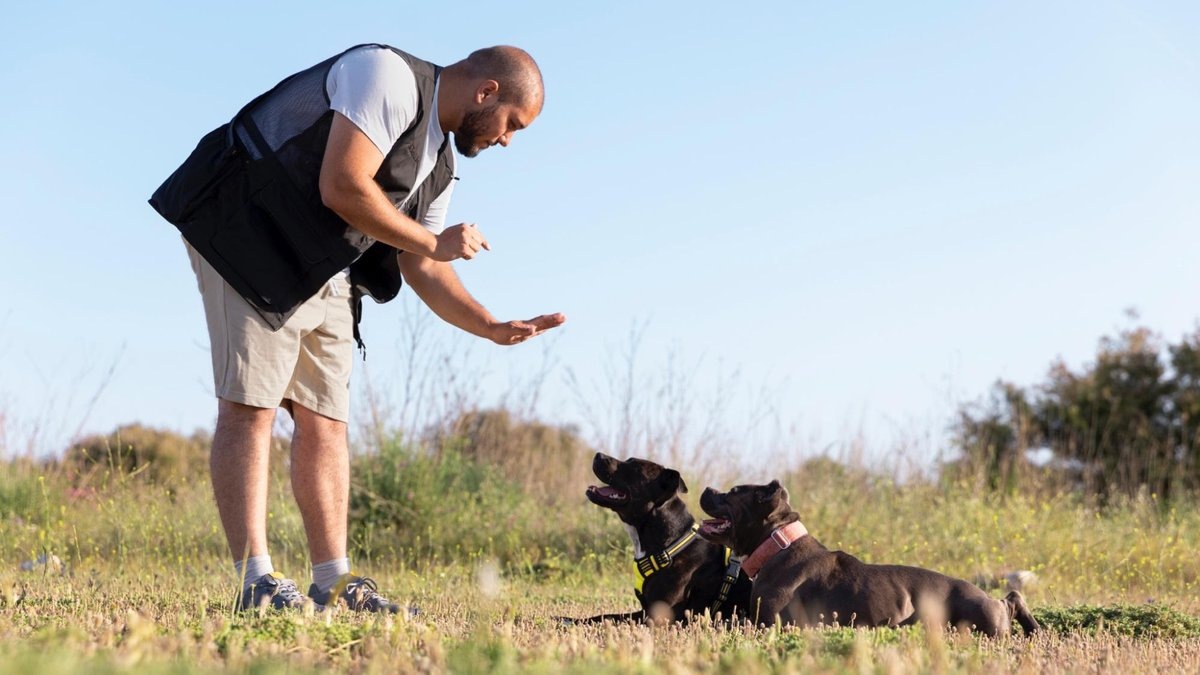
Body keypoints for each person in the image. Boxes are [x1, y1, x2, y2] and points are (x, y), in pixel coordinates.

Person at [149, 43, 565, 612]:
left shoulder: (441, 165)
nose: (507, 140)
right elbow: (343, 185)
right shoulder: (387, 77)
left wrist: (489, 326)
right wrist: (430, 241)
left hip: (323, 262)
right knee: (252, 407)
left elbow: (422, 263)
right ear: (487, 91)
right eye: (512, 124)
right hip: (247, 232)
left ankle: (335, 585)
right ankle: (256, 583)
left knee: (326, 421)